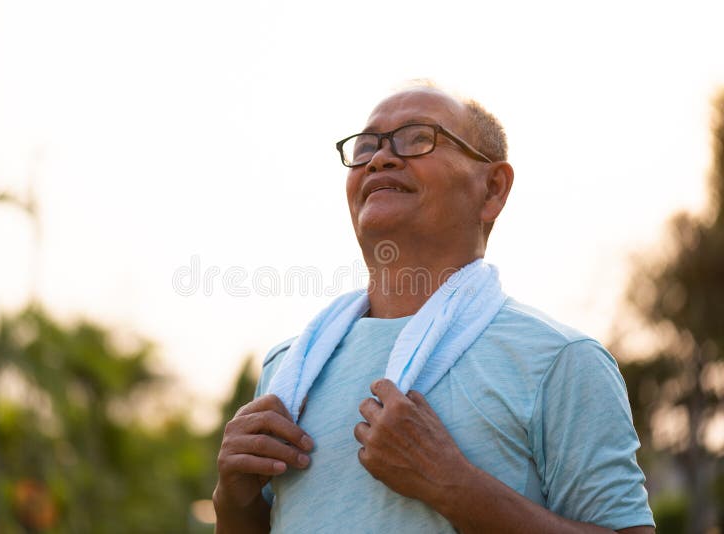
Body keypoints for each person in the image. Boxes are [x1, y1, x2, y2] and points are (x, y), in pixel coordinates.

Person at [212, 85, 656, 533]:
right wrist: (232, 501)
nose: (380, 159)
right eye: (367, 146)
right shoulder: (289, 368)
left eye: (417, 138)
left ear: (493, 189)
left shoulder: (562, 360)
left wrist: (454, 487)